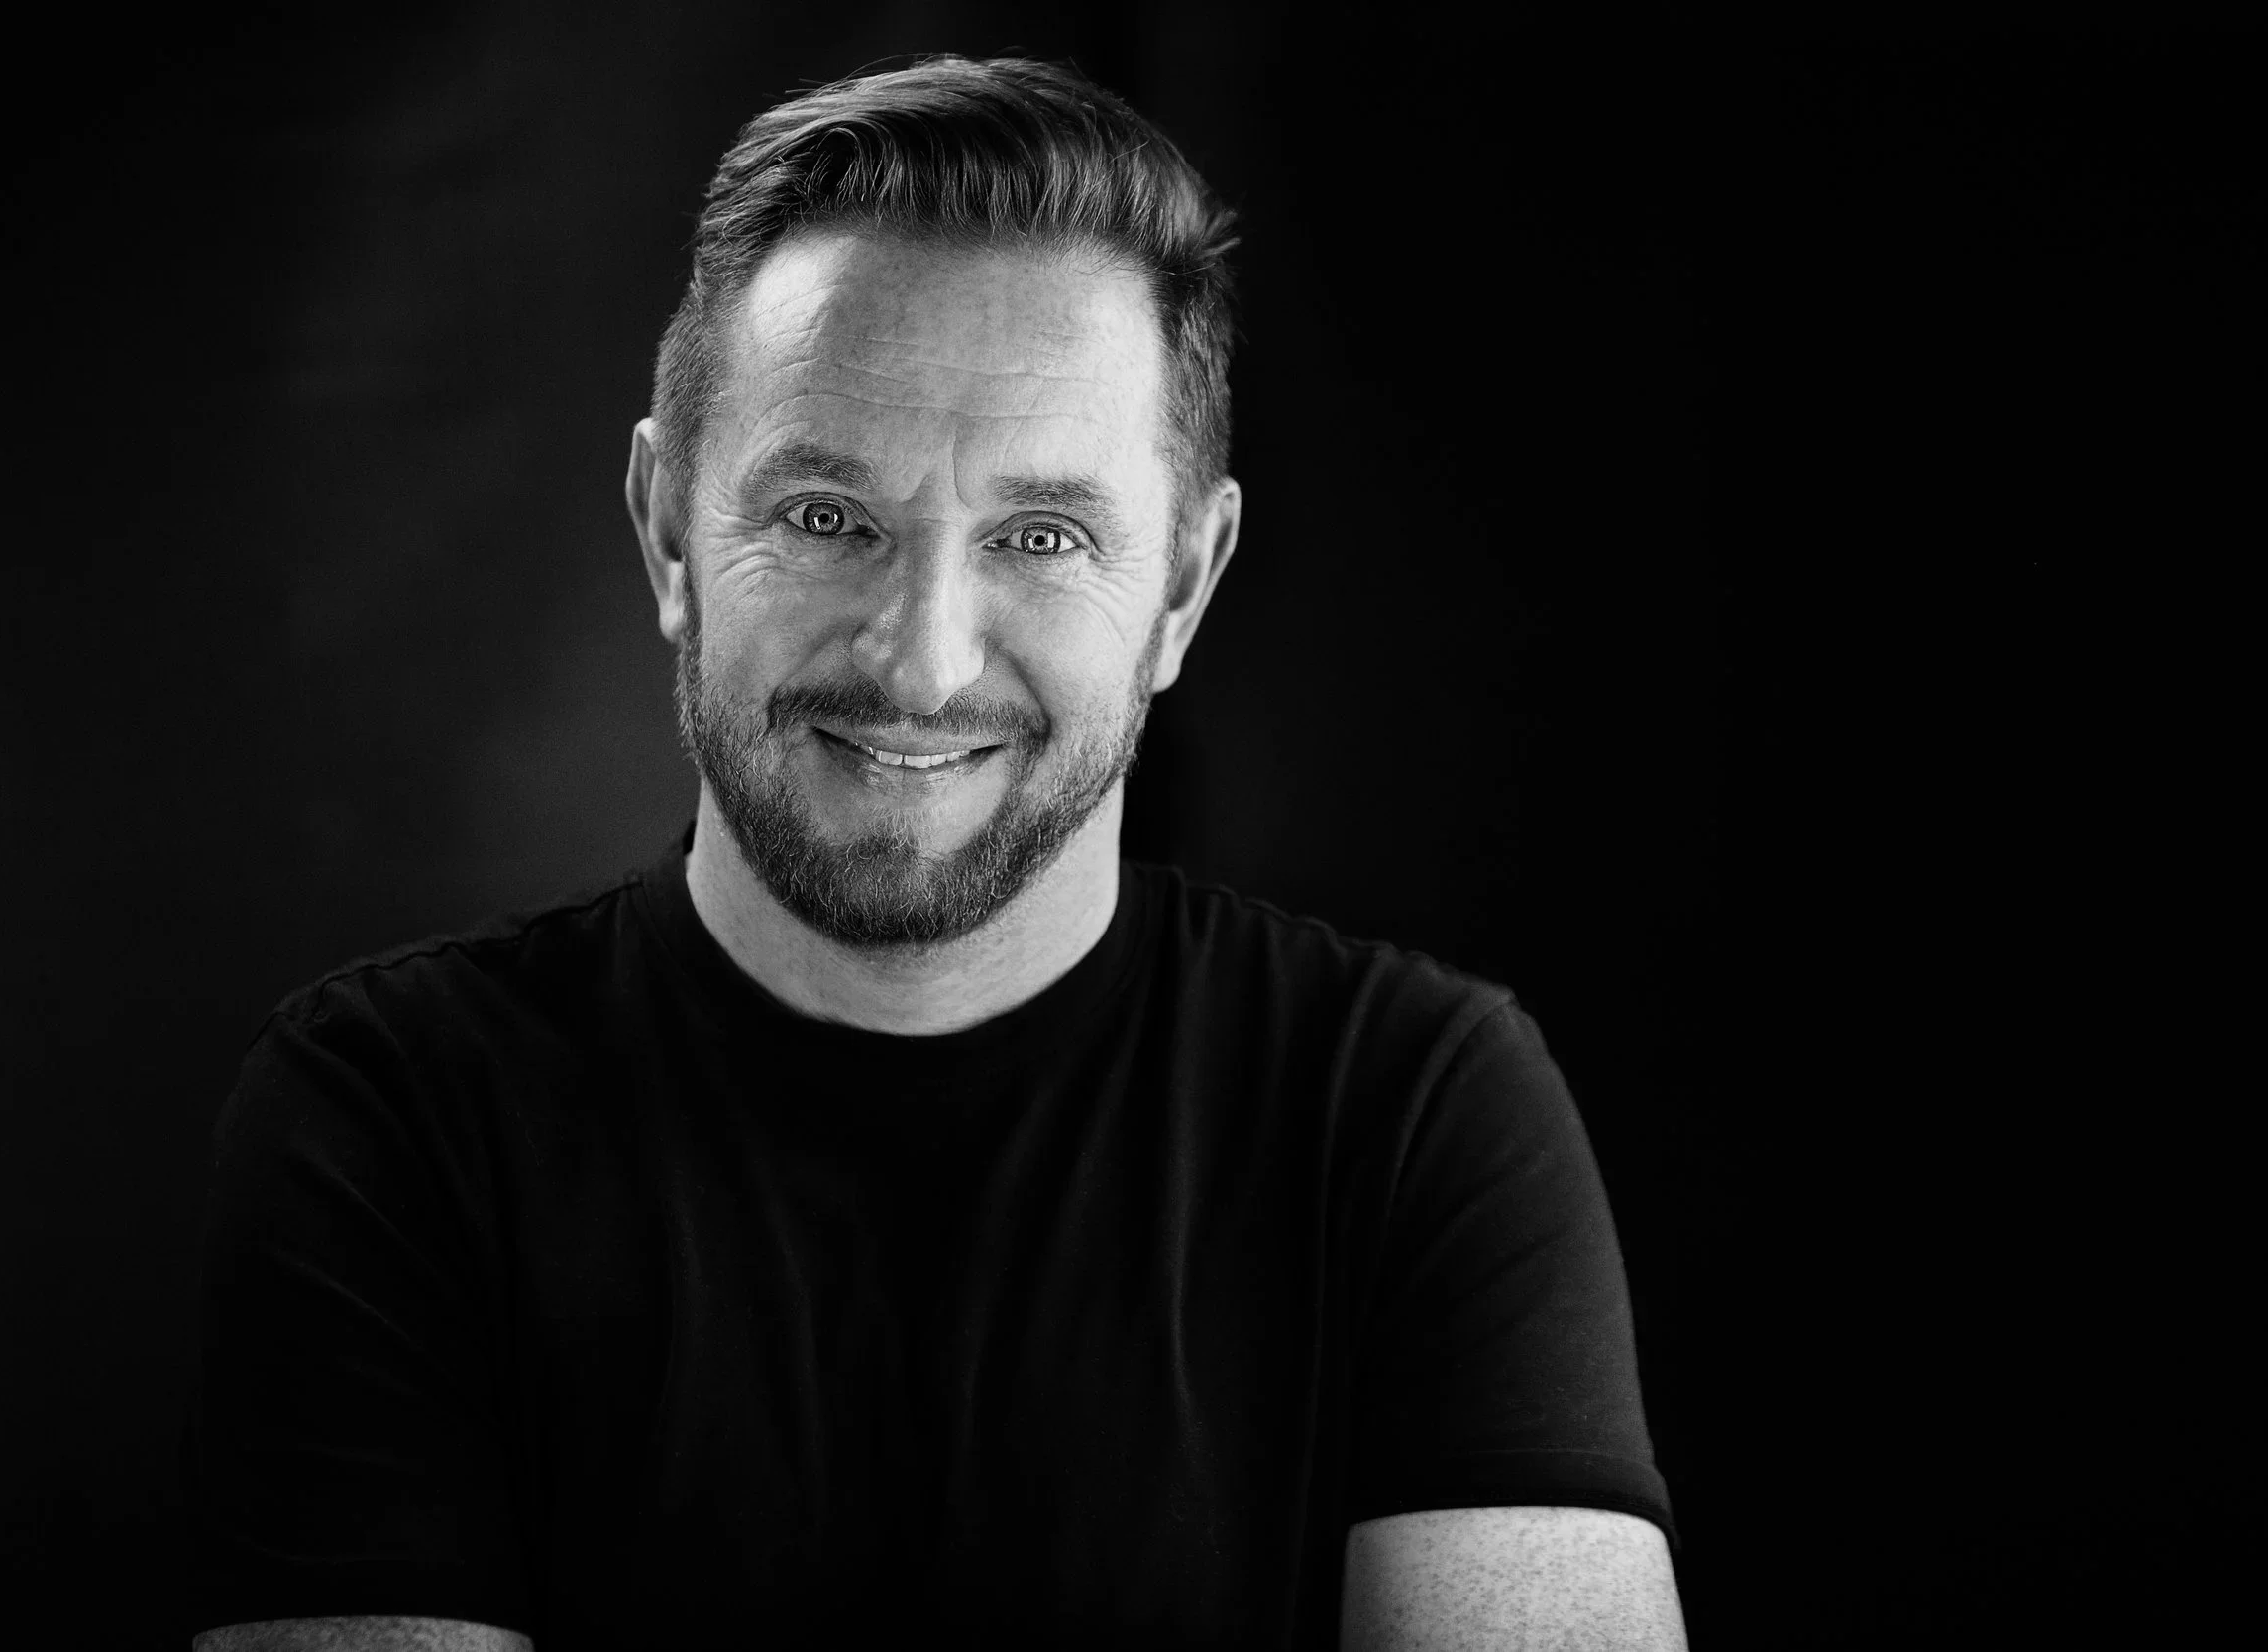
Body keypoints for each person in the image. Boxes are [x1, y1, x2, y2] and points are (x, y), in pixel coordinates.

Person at [185, 55, 1687, 1652]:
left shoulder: (1413, 1110)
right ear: (668, 536)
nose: (922, 660)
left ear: (1184, 584)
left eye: (1042, 538)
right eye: (829, 515)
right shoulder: (390, 1116)